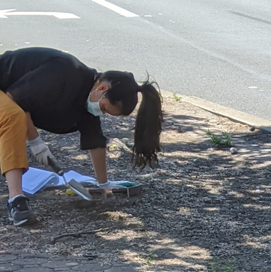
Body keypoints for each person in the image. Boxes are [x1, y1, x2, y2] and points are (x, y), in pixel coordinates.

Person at [0, 47, 163, 226]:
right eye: (104, 109)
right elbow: (15, 100)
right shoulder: (64, 72)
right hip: (6, 93)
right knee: (13, 116)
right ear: (102, 88)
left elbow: (95, 141)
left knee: (12, 116)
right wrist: (36, 142)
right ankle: (16, 201)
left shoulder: (87, 99)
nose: (101, 113)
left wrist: (103, 185)